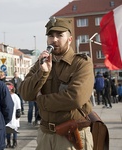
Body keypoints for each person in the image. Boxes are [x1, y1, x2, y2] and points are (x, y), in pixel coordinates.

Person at [19, 17, 94, 150]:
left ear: (69, 39)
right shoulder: (41, 63)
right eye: (51, 36)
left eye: (60, 35)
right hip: (45, 135)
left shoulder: (82, 63)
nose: (54, 40)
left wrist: (41, 101)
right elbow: (25, 93)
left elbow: (75, 98)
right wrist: (42, 73)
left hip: (71, 136)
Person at [5, 82, 21, 148]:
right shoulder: (5, 96)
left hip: (14, 116)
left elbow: (18, 105)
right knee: (7, 130)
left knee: (14, 129)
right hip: (7, 115)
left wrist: (18, 112)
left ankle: (14, 142)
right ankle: (8, 142)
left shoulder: (15, 96)